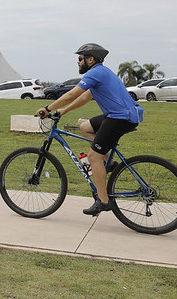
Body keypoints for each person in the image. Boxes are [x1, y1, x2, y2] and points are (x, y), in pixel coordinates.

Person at [36, 43, 143, 216]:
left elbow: (72, 94)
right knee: (85, 126)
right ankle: (110, 164)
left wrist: (48, 108)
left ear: (90, 59)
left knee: (93, 157)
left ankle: (104, 201)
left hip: (121, 118)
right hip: (119, 115)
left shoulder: (96, 72)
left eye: (80, 58)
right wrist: (64, 110)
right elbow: (85, 96)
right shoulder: (100, 73)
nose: (78, 62)